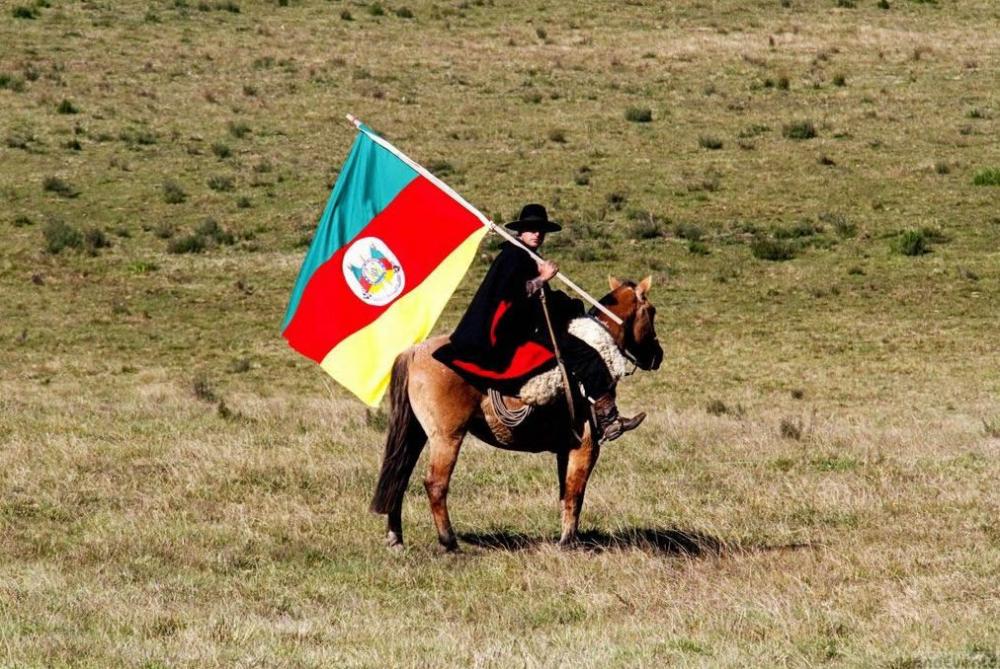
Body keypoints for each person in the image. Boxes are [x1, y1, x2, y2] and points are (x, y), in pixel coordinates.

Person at [433, 203, 645, 443]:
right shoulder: (514, 256)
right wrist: (543, 277)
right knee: (585, 353)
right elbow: (515, 294)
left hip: (526, 326)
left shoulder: (526, 256)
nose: (537, 233)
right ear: (520, 231)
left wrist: (571, 306)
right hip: (513, 333)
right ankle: (608, 420)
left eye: (541, 229)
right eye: (531, 229)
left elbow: (542, 298)